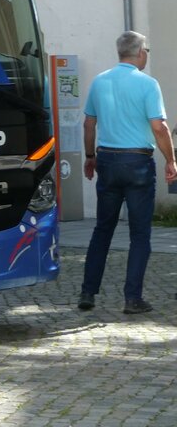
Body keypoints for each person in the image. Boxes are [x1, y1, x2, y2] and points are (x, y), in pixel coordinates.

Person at [78, 31, 177, 314]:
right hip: (137, 164)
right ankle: (132, 298)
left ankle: (87, 292)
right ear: (140, 52)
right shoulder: (148, 84)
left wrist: (90, 157)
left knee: (102, 230)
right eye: (147, 49)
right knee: (139, 234)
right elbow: (158, 127)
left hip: (107, 161)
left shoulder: (100, 81)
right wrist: (171, 160)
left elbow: (88, 124)